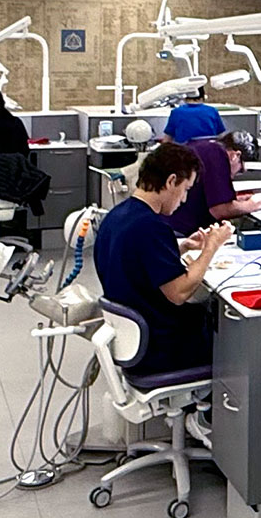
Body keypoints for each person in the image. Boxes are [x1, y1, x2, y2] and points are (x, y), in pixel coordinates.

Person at [93, 143, 233, 374]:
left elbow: (136, 260)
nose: (184, 199)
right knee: (233, 338)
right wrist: (211, 247)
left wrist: (184, 246)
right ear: (171, 181)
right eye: (185, 189)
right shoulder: (152, 227)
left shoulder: (117, 216)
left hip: (132, 339)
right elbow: (179, 293)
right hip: (161, 348)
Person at [167, 132, 261, 236]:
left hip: (169, 221)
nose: (234, 176)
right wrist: (251, 205)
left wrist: (239, 201)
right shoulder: (218, 157)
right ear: (235, 155)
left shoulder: (207, 148)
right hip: (179, 229)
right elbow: (219, 210)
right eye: (240, 170)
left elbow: (209, 197)